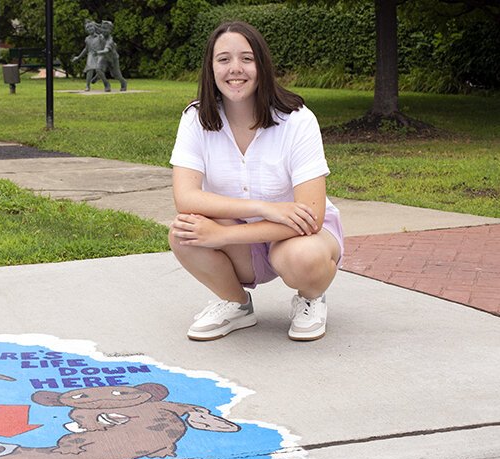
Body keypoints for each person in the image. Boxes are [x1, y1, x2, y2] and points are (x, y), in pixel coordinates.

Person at [169, 21, 344, 342]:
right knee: (185, 232)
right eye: (223, 59)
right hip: (248, 243)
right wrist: (265, 208)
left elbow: (311, 217)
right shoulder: (195, 118)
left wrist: (223, 233)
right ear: (210, 68)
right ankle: (236, 304)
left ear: (262, 65)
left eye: (246, 59)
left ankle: (311, 298)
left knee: (302, 258)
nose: (235, 69)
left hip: (301, 236)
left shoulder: (297, 119)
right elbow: (186, 198)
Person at [72, 20, 110, 92]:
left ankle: (106, 84)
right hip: (91, 55)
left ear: (94, 27)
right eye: (87, 28)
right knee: (89, 69)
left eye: (91, 26)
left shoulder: (100, 37)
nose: (90, 28)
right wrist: (78, 57)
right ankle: (87, 86)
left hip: (99, 54)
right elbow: (86, 49)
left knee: (99, 71)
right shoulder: (87, 39)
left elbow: (106, 46)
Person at [97, 20, 127, 92]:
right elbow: (96, 28)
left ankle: (123, 83)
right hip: (104, 57)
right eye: (102, 28)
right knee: (98, 69)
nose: (103, 30)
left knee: (116, 75)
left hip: (113, 58)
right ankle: (107, 85)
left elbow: (106, 50)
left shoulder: (110, 41)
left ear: (110, 30)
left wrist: (97, 52)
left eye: (106, 28)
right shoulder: (101, 36)